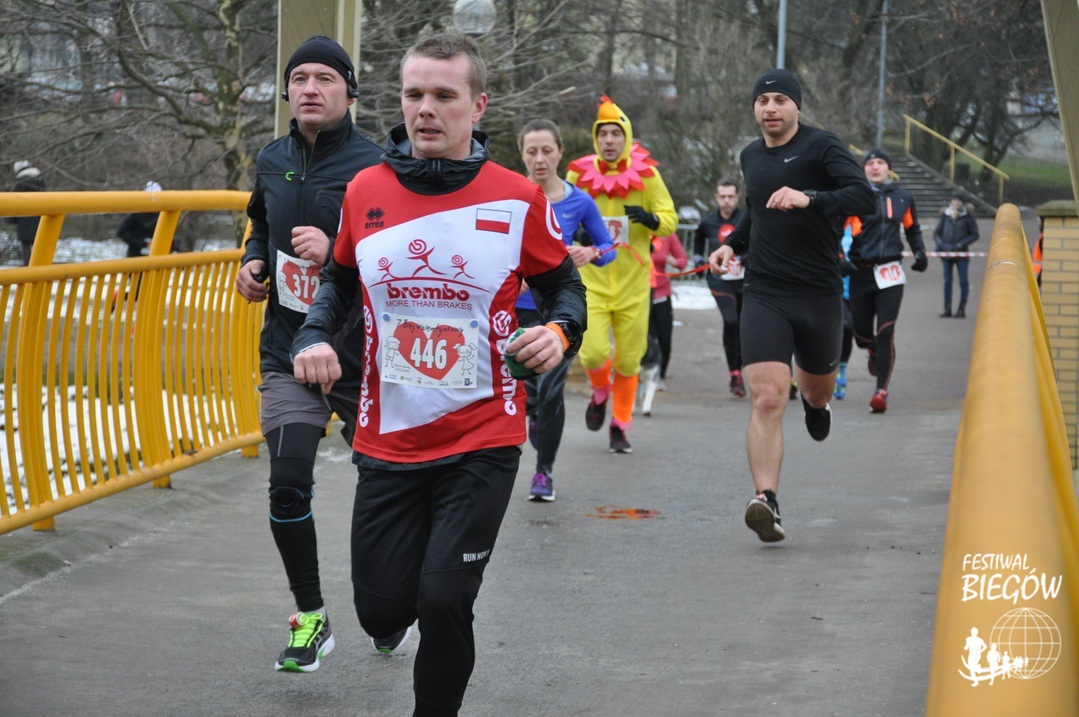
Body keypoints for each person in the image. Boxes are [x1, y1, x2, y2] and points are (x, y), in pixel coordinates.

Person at [291, 34, 587, 716]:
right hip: (387, 438)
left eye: (444, 96)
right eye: (414, 94)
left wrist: (558, 331)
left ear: (477, 106)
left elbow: (564, 288)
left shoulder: (515, 198)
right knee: (381, 611)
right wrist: (313, 333)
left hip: (483, 436)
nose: (425, 109)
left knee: (445, 599)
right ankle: (398, 598)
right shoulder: (366, 189)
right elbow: (339, 280)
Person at [233, 35, 384, 674]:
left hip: (363, 354)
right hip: (288, 349)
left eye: (325, 77)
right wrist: (252, 262)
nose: (311, 88)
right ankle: (311, 617)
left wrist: (339, 249)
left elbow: (404, 259)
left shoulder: (378, 167)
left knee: (389, 489)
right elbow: (259, 224)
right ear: (288, 91)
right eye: (300, 78)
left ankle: (389, 604)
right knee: (288, 484)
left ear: (350, 91)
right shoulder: (271, 158)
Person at [708, 68, 875, 543]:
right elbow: (757, 211)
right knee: (767, 397)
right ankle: (767, 500)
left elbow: (863, 196)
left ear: (796, 105)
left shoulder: (822, 147)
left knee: (816, 391)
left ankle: (817, 407)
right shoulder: (751, 155)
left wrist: (811, 198)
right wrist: (732, 245)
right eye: (763, 101)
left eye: (781, 100)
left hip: (819, 292)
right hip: (765, 291)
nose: (771, 108)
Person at [565, 95, 678, 453]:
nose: (609, 140)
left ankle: (620, 425)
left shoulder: (648, 175)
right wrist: (577, 233)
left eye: (616, 134)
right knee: (592, 354)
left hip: (633, 285)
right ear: (596, 138)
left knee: (629, 360)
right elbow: (562, 215)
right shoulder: (578, 174)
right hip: (592, 283)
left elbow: (670, 220)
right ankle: (601, 393)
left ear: (626, 137)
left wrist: (651, 220)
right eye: (603, 134)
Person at [515, 118, 614, 502]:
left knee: (551, 390)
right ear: (522, 155)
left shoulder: (579, 201)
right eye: (531, 152)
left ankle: (544, 473)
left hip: (559, 312)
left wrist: (590, 252)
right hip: (518, 310)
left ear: (560, 152)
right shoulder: (512, 195)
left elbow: (608, 249)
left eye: (546, 151)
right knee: (529, 393)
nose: (539, 159)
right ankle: (535, 415)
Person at [843, 148, 928, 414]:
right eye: (870, 163)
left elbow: (912, 228)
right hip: (860, 272)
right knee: (859, 332)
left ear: (888, 168)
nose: (875, 167)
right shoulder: (854, 197)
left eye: (881, 162)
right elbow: (835, 231)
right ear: (864, 169)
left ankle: (881, 392)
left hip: (890, 272)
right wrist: (838, 257)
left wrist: (920, 252)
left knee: (886, 331)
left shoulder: (903, 197)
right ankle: (872, 350)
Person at [694, 179, 746, 396]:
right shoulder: (708, 221)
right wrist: (698, 259)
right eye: (722, 196)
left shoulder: (745, 219)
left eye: (731, 196)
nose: (726, 201)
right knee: (731, 321)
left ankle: (743, 370)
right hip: (720, 280)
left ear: (738, 197)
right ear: (716, 198)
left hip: (745, 280)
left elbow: (758, 240)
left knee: (743, 326)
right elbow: (698, 241)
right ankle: (735, 375)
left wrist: (748, 257)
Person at [649, 232, 688, 388]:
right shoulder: (636, 231)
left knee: (664, 339)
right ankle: (642, 374)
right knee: (645, 339)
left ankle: (660, 375)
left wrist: (674, 261)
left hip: (661, 294)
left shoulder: (668, 235)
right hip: (639, 294)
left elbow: (682, 261)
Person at [933, 193, 979, 318]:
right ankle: (947, 308)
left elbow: (974, 234)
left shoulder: (968, 217)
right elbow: (937, 233)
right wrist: (942, 244)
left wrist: (961, 244)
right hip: (947, 253)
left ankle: (961, 309)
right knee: (947, 282)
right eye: (954, 200)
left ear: (963, 203)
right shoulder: (946, 215)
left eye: (959, 201)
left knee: (963, 282)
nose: (956, 203)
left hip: (961, 254)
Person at [9, 161, 45, 265]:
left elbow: (14, 202)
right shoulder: (40, 181)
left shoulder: (20, 183)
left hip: (24, 220)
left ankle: (28, 267)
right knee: (39, 243)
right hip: (40, 219)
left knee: (26, 245)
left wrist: (11, 219)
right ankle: (41, 265)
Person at [117, 182, 164, 257]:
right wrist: (142, 243)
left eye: (157, 198)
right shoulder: (137, 214)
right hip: (136, 256)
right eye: (152, 199)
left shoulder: (163, 214)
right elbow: (122, 232)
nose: (155, 201)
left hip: (157, 256)